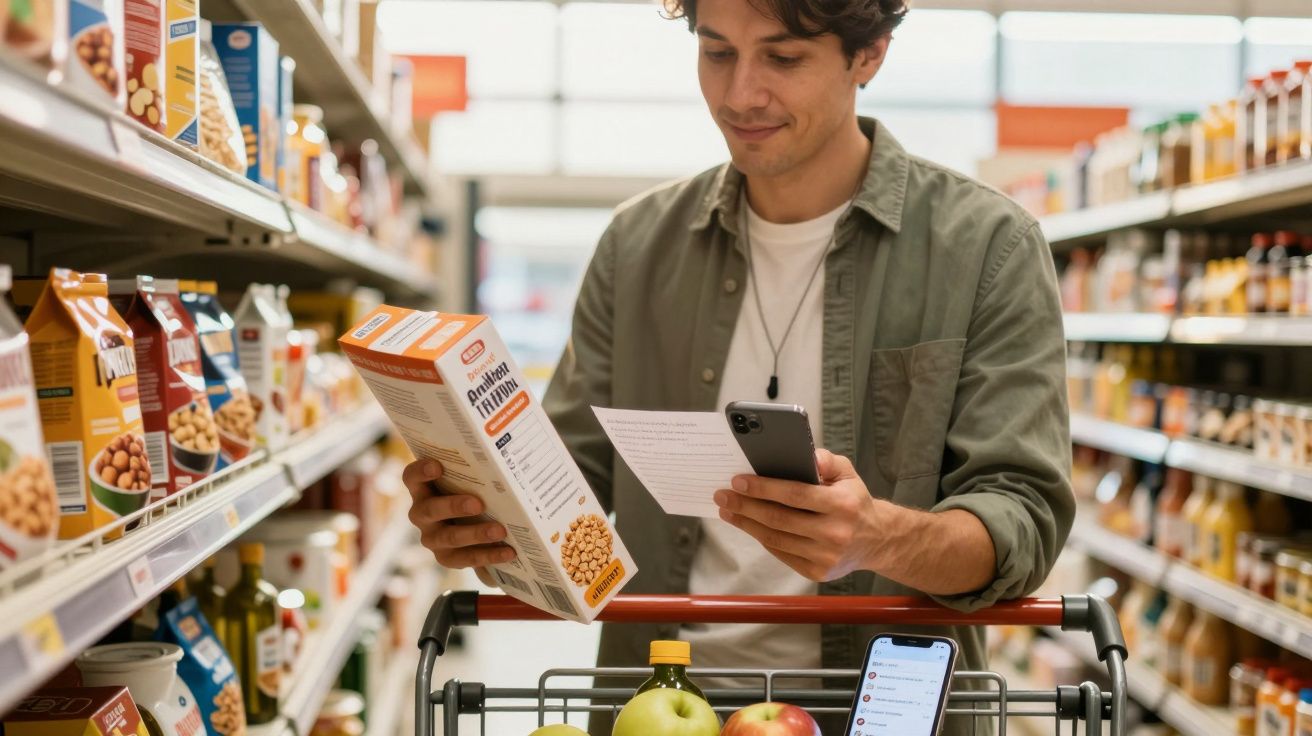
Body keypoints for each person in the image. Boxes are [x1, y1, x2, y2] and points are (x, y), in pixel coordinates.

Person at [402, 0, 1074, 732]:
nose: (740, 94)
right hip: (657, 709)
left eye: (783, 58)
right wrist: (485, 518)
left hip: (884, 711)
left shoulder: (987, 248)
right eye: (717, 52)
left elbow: (1023, 521)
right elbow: (573, 484)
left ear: (869, 54)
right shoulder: (635, 248)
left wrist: (876, 536)